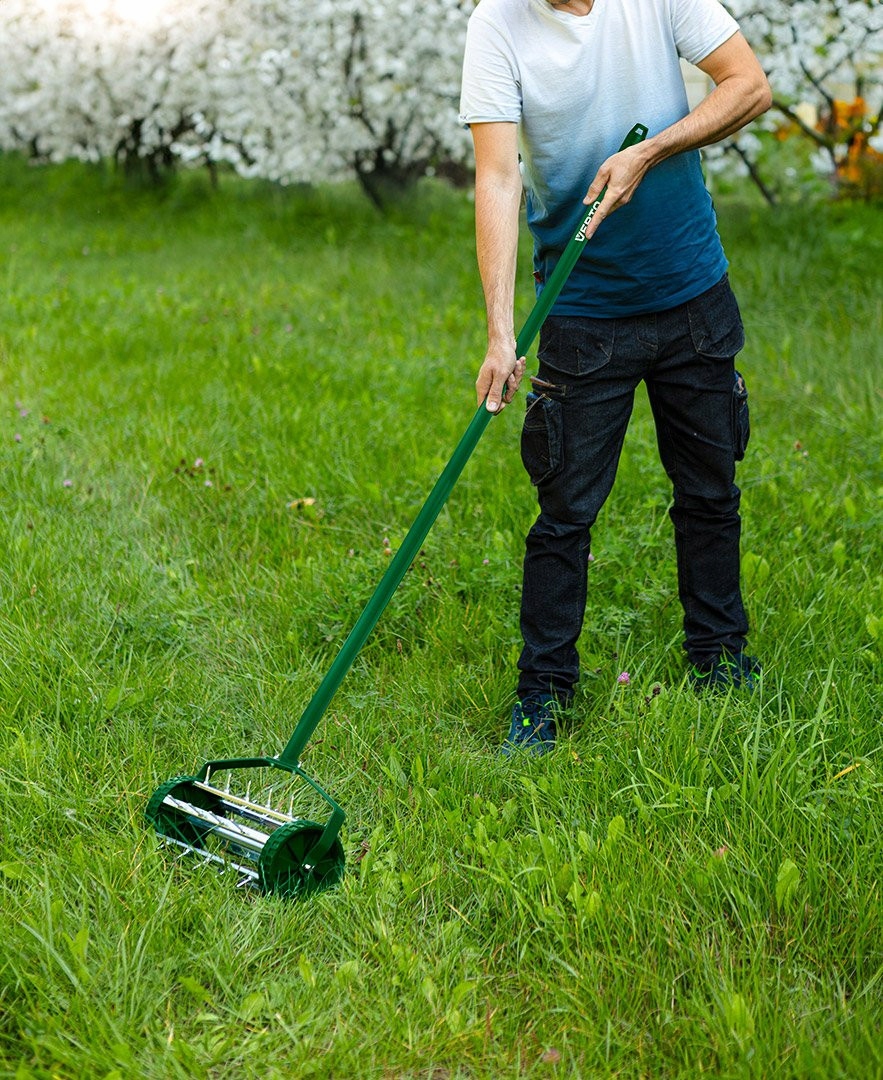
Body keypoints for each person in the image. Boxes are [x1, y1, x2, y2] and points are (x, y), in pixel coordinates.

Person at [458, 0, 772, 754]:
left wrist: (650, 151)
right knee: (564, 512)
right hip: (581, 309)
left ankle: (719, 658)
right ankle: (542, 693)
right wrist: (500, 332)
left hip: (692, 292)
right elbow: (497, 177)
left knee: (709, 491)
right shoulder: (495, 24)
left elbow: (748, 85)